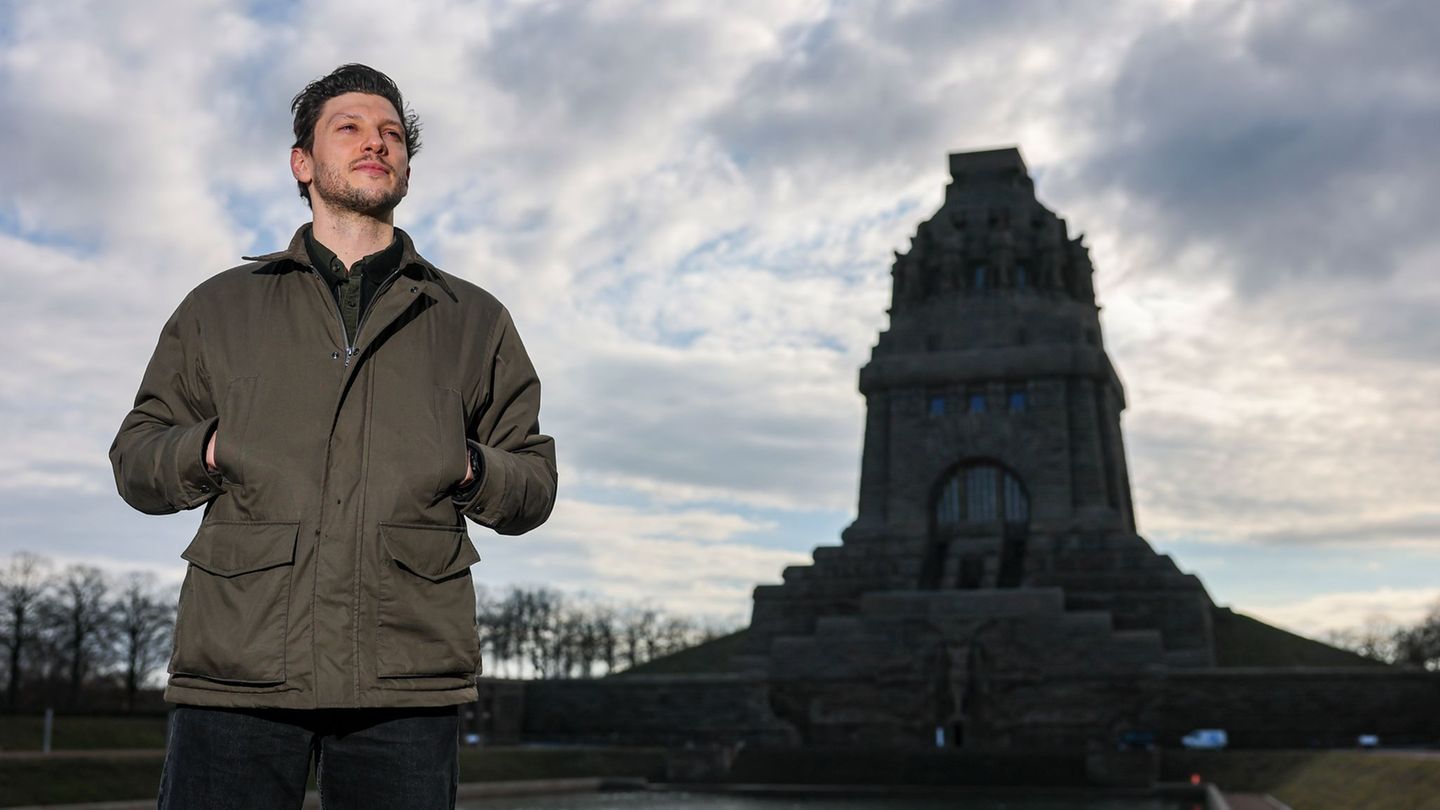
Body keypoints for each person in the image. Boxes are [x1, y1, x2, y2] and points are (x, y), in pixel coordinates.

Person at [109, 63, 557, 809]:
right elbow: (135, 460)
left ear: (406, 163)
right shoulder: (218, 307)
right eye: (348, 128)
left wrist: (470, 466)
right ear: (303, 162)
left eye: (390, 134)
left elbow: (534, 483)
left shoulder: (474, 318)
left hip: (404, 678)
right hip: (240, 670)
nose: (375, 143)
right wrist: (212, 447)